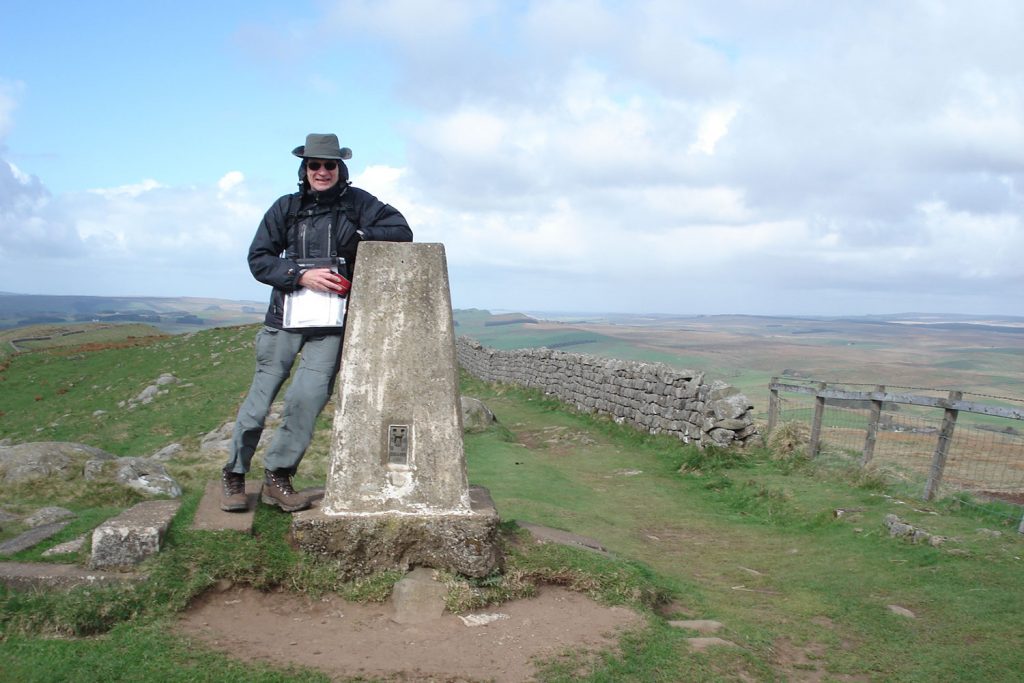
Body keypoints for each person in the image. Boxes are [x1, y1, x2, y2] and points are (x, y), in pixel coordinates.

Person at [222, 133, 412, 512]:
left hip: (331, 323)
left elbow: (401, 232)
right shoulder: (285, 207)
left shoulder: (360, 204)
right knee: (260, 402)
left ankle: (278, 475)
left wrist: (359, 236)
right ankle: (235, 474)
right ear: (304, 169)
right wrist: (299, 275)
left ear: (340, 169)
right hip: (284, 319)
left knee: (306, 399)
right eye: (315, 165)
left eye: (329, 165)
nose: (322, 171)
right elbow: (259, 259)